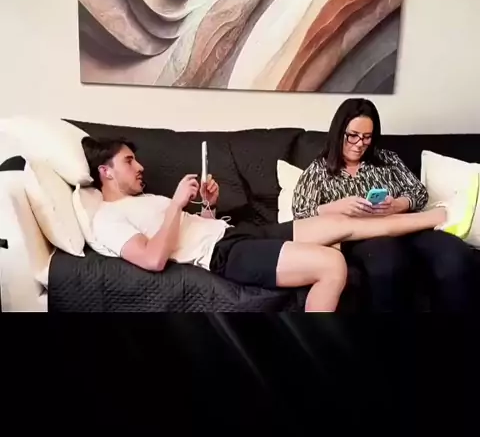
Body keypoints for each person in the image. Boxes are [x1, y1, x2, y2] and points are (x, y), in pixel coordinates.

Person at [80, 136, 478, 313]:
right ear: (105, 172)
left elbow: (189, 232)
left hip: (234, 233)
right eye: (129, 161)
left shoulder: (145, 200)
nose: (140, 166)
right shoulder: (107, 218)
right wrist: (176, 206)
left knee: (342, 221)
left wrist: (207, 208)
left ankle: (442, 217)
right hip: (225, 254)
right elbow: (153, 259)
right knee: (333, 264)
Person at [292, 98, 478, 311]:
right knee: (388, 263)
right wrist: (336, 208)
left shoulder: (388, 159)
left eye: (367, 137)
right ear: (339, 132)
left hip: (408, 227)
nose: (359, 144)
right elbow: (300, 215)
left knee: (454, 255)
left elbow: (418, 192)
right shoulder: (318, 171)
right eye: (353, 136)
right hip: (364, 237)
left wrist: (398, 204)